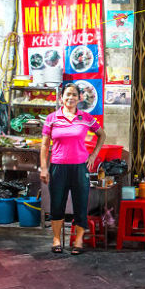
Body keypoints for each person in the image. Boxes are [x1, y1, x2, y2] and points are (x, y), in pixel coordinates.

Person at [40, 82, 106, 255]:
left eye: (74, 95)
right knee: (57, 204)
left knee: (81, 203)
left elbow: (101, 134)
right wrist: (44, 168)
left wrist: (93, 155)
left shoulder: (85, 118)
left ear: (80, 98)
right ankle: (56, 239)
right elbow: (45, 145)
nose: (70, 98)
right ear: (61, 98)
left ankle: (78, 240)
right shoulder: (52, 118)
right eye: (67, 94)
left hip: (79, 168)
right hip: (58, 167)